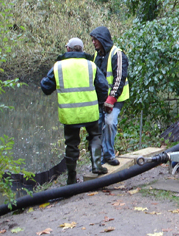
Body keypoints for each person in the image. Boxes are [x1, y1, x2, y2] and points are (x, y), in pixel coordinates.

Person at [40, 37, 110, 184]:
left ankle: (71, 177)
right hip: (90, 112)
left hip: (70, 114)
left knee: (71, 144)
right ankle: (97, 165)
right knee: (95, 136)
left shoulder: (59, 66)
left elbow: (46, 88)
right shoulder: (90, 65)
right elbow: (103, 87)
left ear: (68, 50)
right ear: (82, 49)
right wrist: (100, 102)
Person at [90, 26, 129, 167]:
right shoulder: (96, 55)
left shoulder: (117, 55)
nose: (93, 42)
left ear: (102, 39)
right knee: (98, 125)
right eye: (92, 40)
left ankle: (109, 154)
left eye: (95, 39)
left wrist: (111, 99)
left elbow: (120, 78)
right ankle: (99, 159)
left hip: (116, 98)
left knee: (110, 123)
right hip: (100, 99)